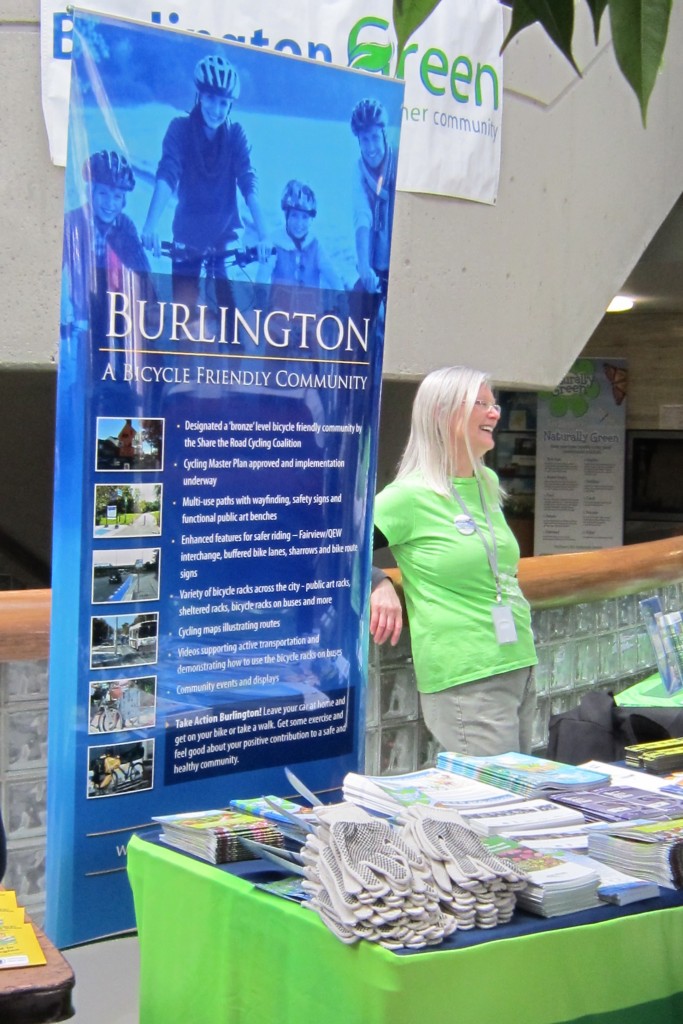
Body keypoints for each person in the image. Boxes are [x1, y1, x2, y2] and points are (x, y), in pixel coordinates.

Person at [370, 366, 538, 756]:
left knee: (517, 802)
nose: (495, 413)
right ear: (442, 415)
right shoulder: (407, 497)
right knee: (491, 803)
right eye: (481, 404)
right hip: (466, 675)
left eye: (494, 404)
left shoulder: (487, 483)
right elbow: (334, 551)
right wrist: (378, 581)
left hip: (517, 662)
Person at [142, 53, 269, 310]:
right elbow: (168, 173)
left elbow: (248, 181)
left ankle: (231, 346)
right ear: (199, 96)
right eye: (211, 98)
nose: (216, 109)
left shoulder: (235, 135)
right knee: (183, 315)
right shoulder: (179, 129)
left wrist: (265, 234)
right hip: (187, 236)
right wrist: (151, 224)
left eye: (224, 103)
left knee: (230, 310)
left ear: (231, 106)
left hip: (226, 234)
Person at [61, 150, 153, 341]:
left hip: (116, 314)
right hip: (80, 316)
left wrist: (152, 308)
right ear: (90, 192)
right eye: (103, 193)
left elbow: (142, 273)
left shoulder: (124, 225)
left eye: (117, 196)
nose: (110, 203)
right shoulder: (73, 223)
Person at [350, 98, 396, 295]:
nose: (370, 148)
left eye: (375, 138)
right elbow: (362, 216)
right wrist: (363, 266)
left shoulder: (400, 164)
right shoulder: (358, 171)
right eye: (364, 140)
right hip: (374, 264)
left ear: (385, 135)